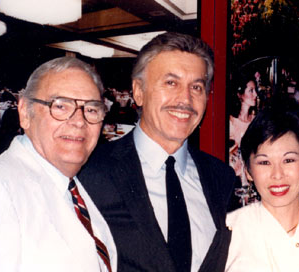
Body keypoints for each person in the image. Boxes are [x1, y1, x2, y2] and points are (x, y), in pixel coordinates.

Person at [78, 32, 236, 272]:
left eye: (197, 87)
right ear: (138, 91)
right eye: (171, 83)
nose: (185, 99)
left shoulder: (221, 177)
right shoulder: (91, 173)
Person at [0, 57, 117, 271]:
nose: (79, 121)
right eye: (61, 106)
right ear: (25, 113)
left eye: (91, 109)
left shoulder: (73, 186)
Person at [225, 109, 299, 272]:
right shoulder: (229, 231)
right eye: (264, 162)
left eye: (288, 160)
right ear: (248, 171)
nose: (277, 175)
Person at [229, 77, 258, 207]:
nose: (255, 95)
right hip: (235, 179)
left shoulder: (255, 121)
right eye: (251, 91)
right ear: (240, 95)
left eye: (255, 90)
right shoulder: (231, 123)